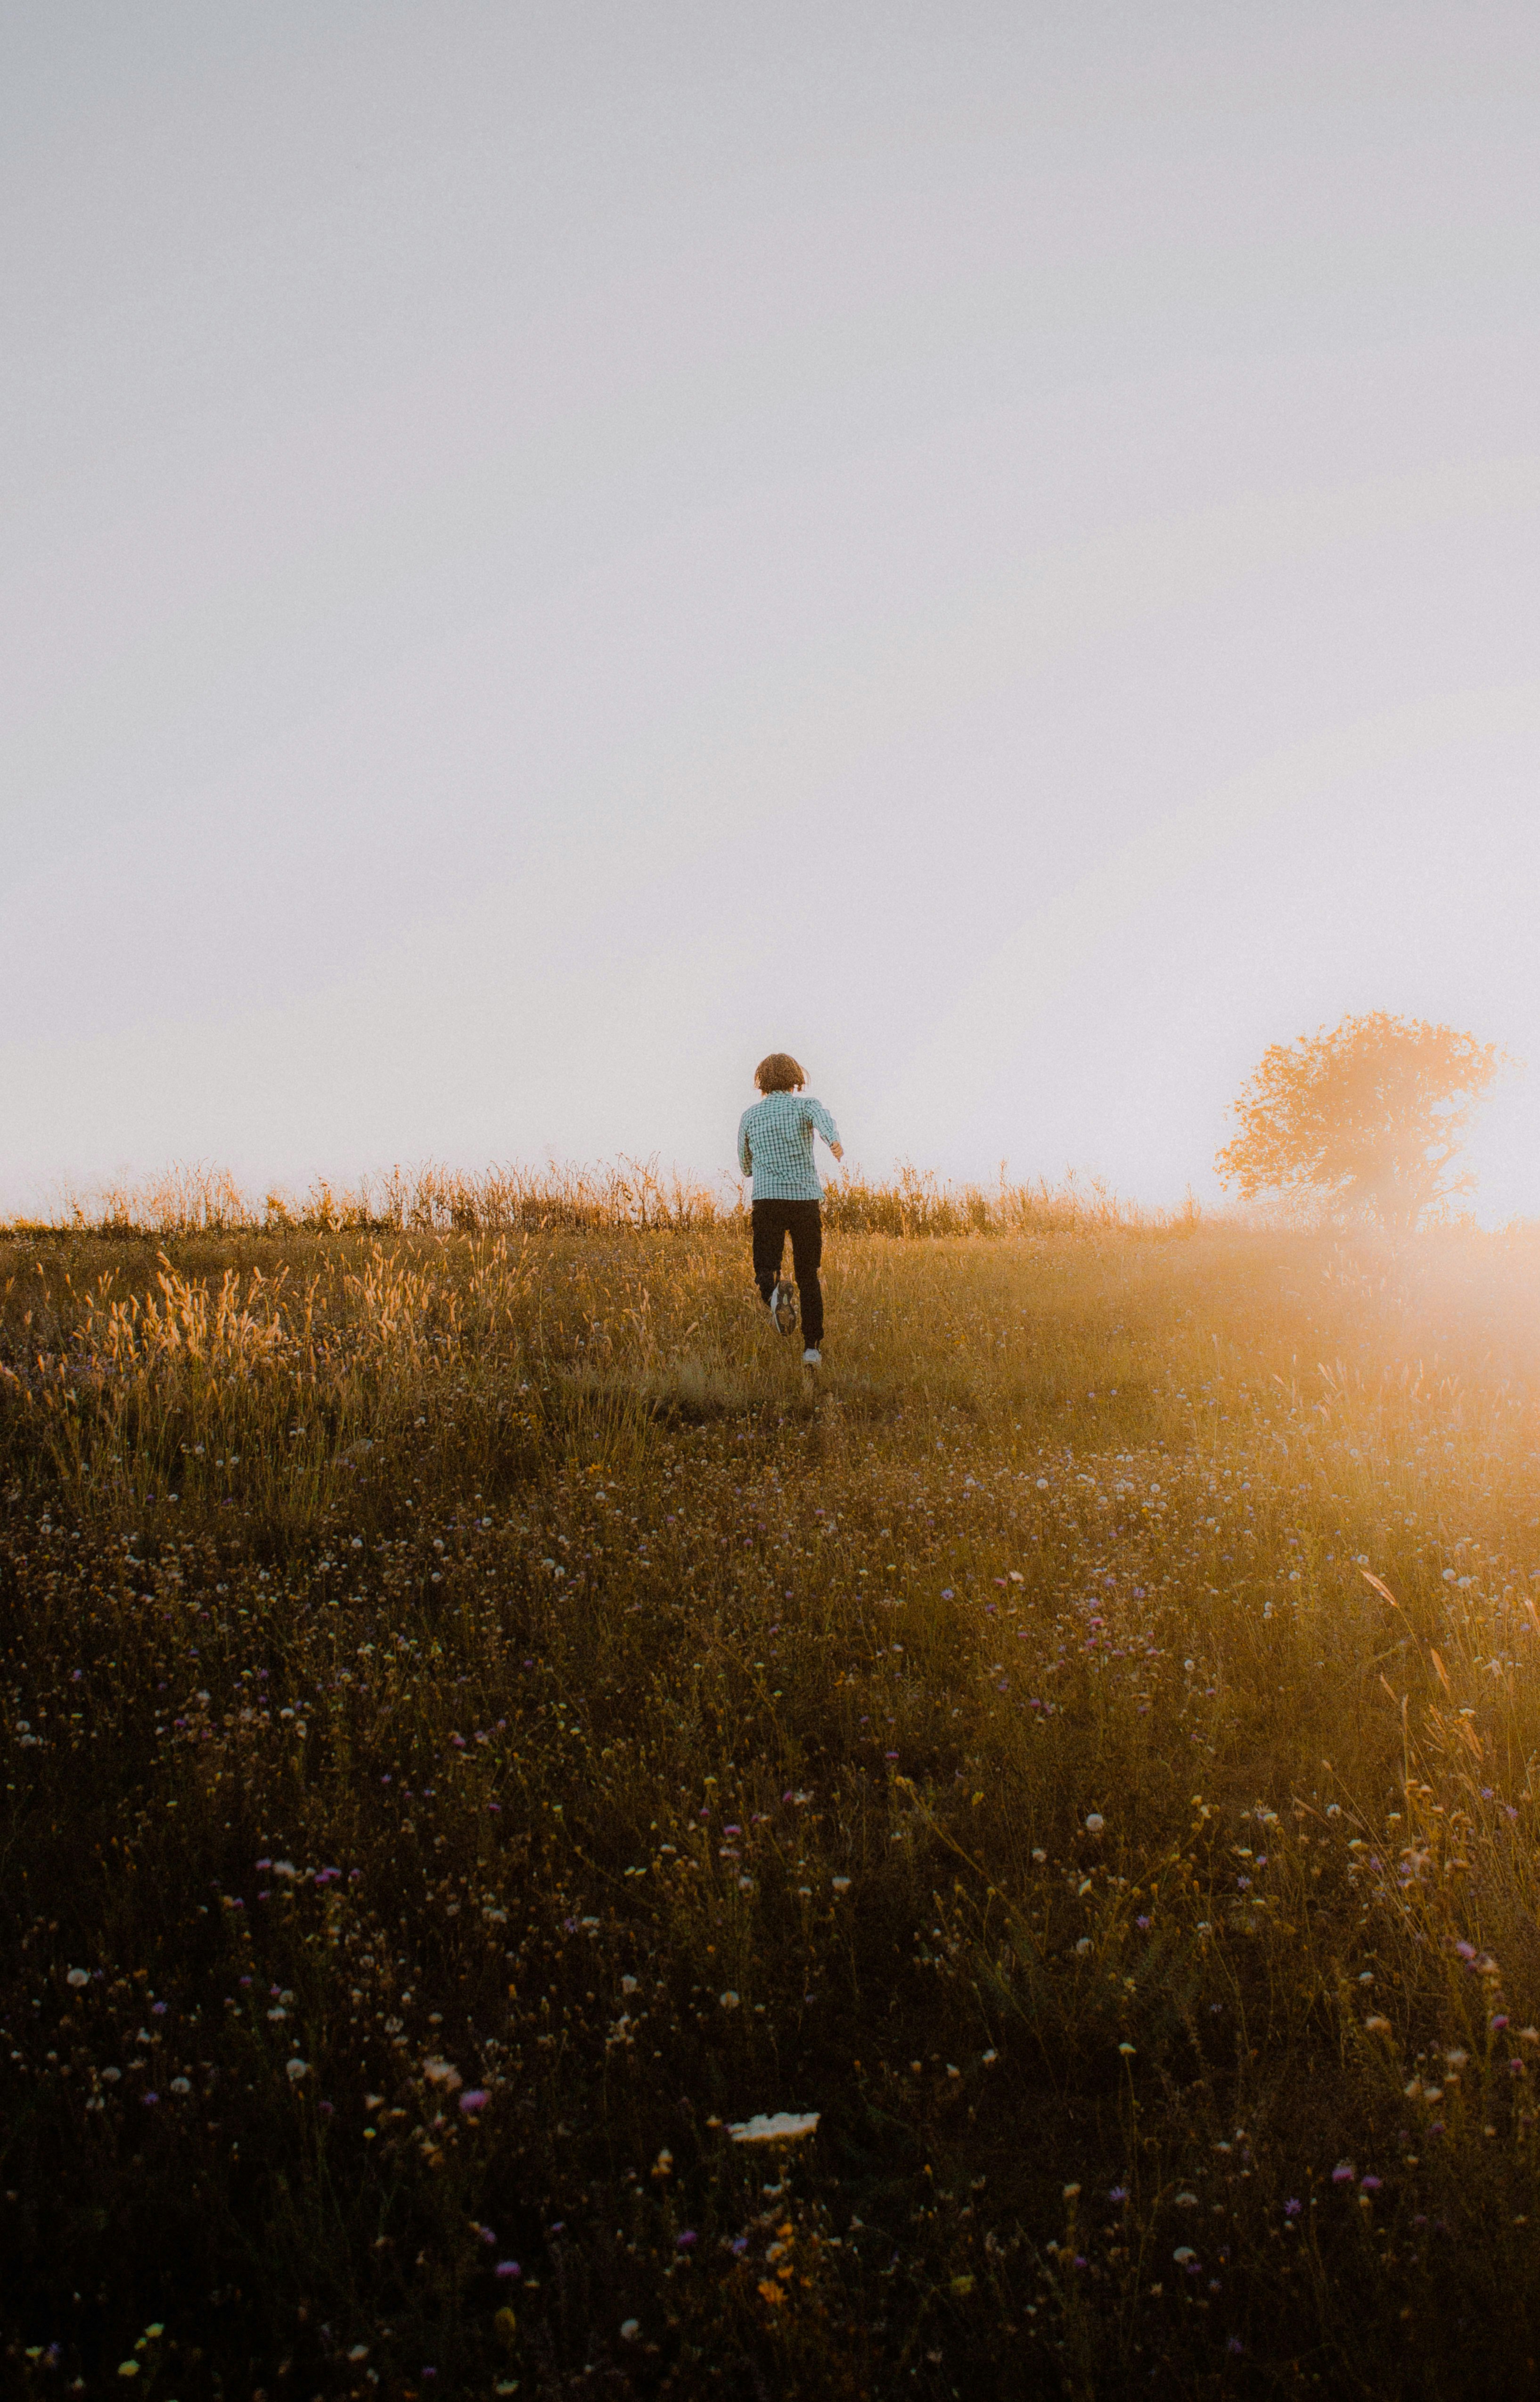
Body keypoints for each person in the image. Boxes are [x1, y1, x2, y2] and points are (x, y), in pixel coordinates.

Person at [737, 1053, 843, 1367]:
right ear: (797, 1078)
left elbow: (744, 1166)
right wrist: (834, 1142)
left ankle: (774, 1294)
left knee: (765, 1268)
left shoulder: (750, 1116)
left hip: (768, 1200)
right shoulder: (805, 1106)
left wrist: (760, 1164)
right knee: (808, 1275)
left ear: (762, 1081)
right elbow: (824, 1120)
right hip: (804, 1201)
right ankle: (812, 1349)